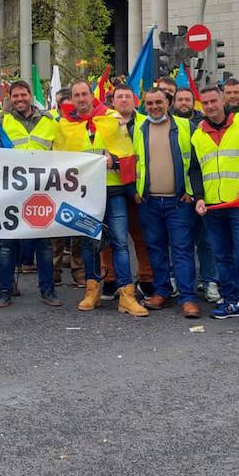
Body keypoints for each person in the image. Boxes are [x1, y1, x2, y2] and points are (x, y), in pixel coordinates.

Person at [189, 85, 239, 328]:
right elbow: (195, 169)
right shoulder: (198, 133)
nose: (210, 106)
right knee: (222, 257)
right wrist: (199, 197)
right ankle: (231, 301)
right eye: (205, 103)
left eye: (214, 101)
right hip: (213, 206)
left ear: (223, 100)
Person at [56, 79, 135, 313]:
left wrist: (116, 160)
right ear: (71, 99)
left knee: (120, 241)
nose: (81, 99)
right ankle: (92, 291)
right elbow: (59, 161)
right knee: (89, 244)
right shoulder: (64, 125)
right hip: (84, 195)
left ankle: (126, 294)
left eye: (84, 94)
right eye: (76, 95)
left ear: (92, 96)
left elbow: (129, 154)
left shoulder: (112, 118)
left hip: (113, 191)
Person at [0, 80, 59, 307]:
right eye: (15, 96)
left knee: (43, 245)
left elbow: (60, 152)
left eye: (23, 95)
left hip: (41, 191)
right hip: (10, 191)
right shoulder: (0, 122)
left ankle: (48, 291)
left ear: (30, 96)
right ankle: (5, 291)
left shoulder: (49, 122)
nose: (19, 99)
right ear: (10, 98)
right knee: (7, 244)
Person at [134, 87, 194, 316]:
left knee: (182, 250)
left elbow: (195, 161)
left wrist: (192, 191)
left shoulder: (185, 126)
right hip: (149, 202)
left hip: (178, 201)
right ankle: (161, 291)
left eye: (158, 102)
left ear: (168, 103)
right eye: (149, 104)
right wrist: (135, 191)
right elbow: (135, 161)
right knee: (155, 249)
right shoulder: (139, 129)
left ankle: (187, 298)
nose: (154, 107)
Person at [102, 83, 155, 299]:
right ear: (113, 101)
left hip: (138, 188)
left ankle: (146, 278)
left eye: (127, 96)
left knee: (140, 236)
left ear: (135, 101)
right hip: (112, 184)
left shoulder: (146, 123)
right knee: (109, 237)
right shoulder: (104, 123)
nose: (123, 100)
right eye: (119, 97)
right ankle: (110, 279)